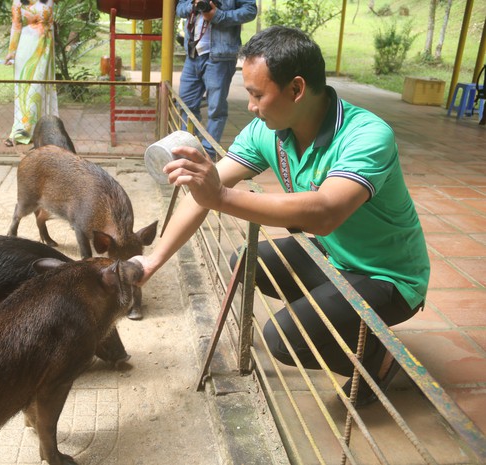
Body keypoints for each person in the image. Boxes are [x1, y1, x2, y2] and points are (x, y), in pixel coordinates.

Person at [133, 26, 430, 407]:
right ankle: (335, 319)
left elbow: (324, 214)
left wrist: (220, 196)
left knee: (284, 338)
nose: (251, 106)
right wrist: (153, 259)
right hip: (334, 255)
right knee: (246, 261)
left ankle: (379, 360)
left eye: (257, 94)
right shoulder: (267, 131)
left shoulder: (367, 135)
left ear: (296, 89)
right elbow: (204, 194)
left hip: (387, 275)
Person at [176, 0, 257, 160]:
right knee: (185, 105)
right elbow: (179, 8)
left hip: (220, 55)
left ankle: (208, 153)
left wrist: (218, 15)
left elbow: (250, 10)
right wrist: (194, 5)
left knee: (216, 108)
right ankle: (190, 149)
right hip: (193, 54)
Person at [3, 0, 59, 147]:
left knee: (40, 89)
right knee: (25, 90)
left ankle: (45, 129)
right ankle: (22, 131)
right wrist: (11, 52)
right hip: (26, 46)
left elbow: (51, 23)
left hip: (45, 48)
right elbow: (16, 25)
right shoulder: (18, 2)